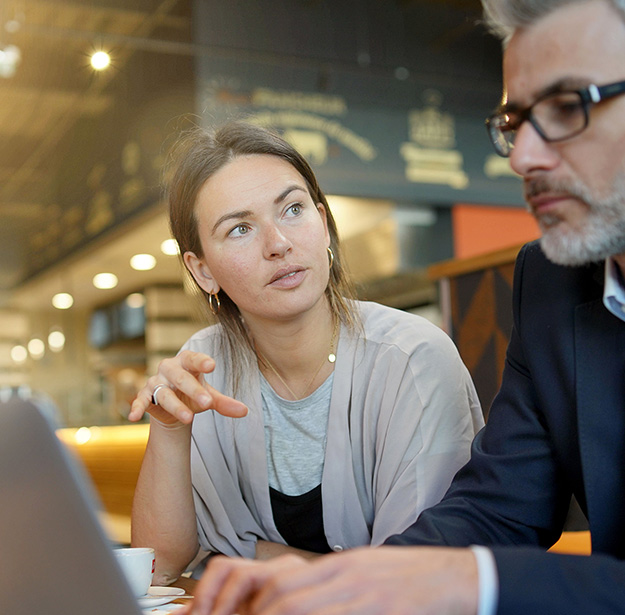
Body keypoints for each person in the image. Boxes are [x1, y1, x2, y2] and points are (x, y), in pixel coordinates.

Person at [176, 0, 625, 615]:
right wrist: (346, 585)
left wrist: (468, 584)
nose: (524, 156)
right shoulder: (550, 280)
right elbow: (500, 506)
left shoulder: (407, 352)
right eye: (514, 121)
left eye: (567, 107)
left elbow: (479, 562)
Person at [129, 122, 483, 583]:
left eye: (293, 209)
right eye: (239, 229)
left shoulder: (410, 359)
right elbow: (160, 569)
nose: (278, 244)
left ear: (324, 223)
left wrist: (252, 556)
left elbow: (411, 579)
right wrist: (170, 429)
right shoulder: (203, 368)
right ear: (202, 271)